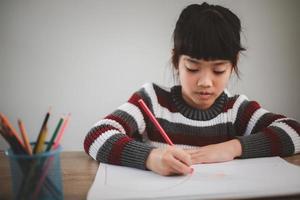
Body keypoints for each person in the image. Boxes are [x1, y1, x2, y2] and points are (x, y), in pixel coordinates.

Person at [84, 2, 300, 176]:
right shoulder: (152, 100)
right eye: (193, 67)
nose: (205, 82)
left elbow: (295, 132)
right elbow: (97, 135)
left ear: (233, 66)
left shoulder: (236, 110)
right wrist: (150, 158)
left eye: (218, 70)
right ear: (176, 60)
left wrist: (233, 148)